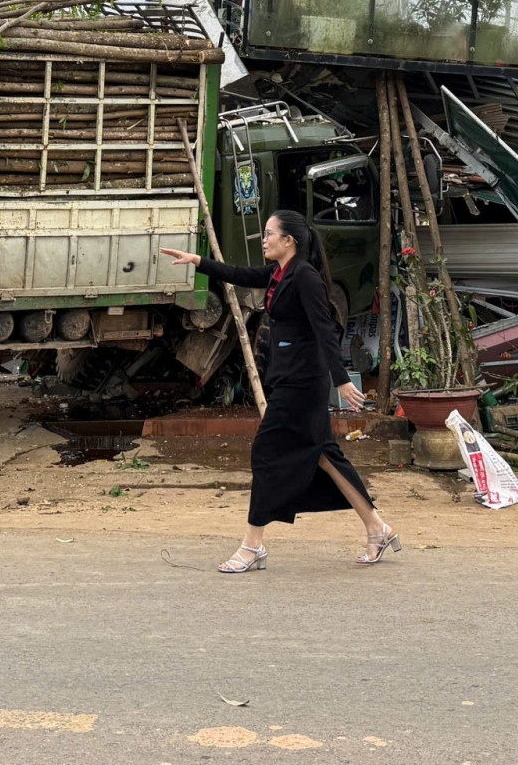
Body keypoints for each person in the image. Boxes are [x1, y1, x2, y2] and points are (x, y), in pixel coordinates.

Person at [160, 209, 397, 573]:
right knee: (325, 455)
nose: (265, 239)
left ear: (289, 240)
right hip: (290, 378)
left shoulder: (305, 277)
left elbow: (324, 329)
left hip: (303, 384)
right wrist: (197, 261)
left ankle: (252, 546)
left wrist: (342, 380)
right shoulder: (279, 272)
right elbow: (238, 274)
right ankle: (377, 527)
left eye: (270, 233)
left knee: (267, 453)